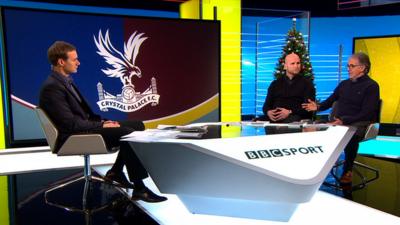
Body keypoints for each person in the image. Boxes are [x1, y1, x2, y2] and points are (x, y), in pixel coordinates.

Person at [39, 41, 167, 203]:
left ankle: (116, 171)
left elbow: (83, 115)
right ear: (61, 62)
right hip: (71, 136)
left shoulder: (65, 81)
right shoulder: (52, 87)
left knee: (137, 126)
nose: (78, 62)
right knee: (127, 133)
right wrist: (101, 125)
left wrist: (105, 121)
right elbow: (69, 124)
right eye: (74, 59)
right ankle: (140, 188)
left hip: (81, 128)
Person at [302, 52, 380, 184]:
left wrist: (344, 120)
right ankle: (315, 168)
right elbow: (330, 101)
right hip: (338, 121)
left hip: (360, 123)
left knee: (347, 132)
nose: (348, 69)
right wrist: (318, 107)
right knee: (309, 128)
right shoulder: (344, 84)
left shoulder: (371, 86)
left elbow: (368, 112)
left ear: (362, 67)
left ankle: (347, 169)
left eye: (352, 66)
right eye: (347, 66)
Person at [262, 52, 315, 123]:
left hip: (295, 118)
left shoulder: (307, 84)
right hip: (275, 117)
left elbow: (308, 109)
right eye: (292, 63)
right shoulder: (275, 84)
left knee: (290, 122)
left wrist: (289, 112)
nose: (296, 66)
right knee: (257, 121)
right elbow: (266, 106)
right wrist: (268, 112)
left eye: (298, 63)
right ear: (285, 66)